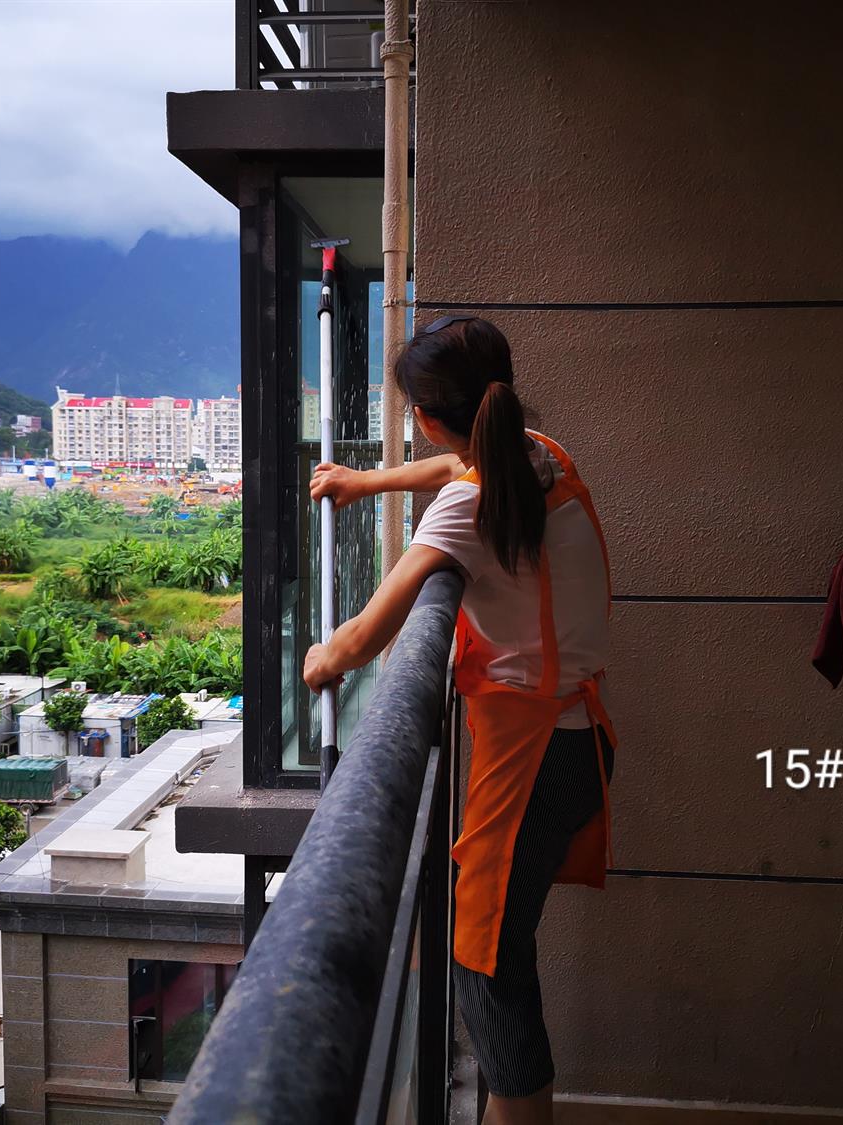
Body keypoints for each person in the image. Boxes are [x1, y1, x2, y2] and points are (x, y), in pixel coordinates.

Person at [305, 316, 616, 1125]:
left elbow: (363, 638)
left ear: (426, 415)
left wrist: (320, 660)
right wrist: (365, 482)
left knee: (485, 964)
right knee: (499, 950)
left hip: (536, 765)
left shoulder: (465, 508)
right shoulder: (542, 454)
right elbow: (455, 465)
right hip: (579, 743)